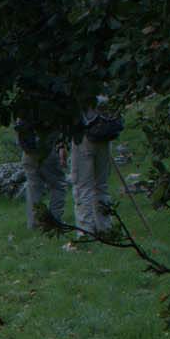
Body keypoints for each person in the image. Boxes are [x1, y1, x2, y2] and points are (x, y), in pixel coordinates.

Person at [71, 95, 120, 235]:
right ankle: (106, 228)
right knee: (101, 185)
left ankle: (86, 232)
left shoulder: (78, 83)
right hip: (104, 134)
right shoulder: (103, 83)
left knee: (82, 187)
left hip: (84, 135)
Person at [17, 120, 67, 230]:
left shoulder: (24, 110)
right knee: (57, 186)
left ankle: (35, 223)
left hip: (28, 152)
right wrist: (61, 146)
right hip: (48, 151)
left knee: (33, 188)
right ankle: (55, 221)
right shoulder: (48, 108)